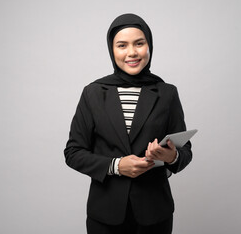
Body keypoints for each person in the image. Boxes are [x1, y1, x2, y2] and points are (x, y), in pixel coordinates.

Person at [64, 13, 192, 234]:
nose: (132, 52)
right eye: (122, 45)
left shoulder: (167, 93)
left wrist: (170, 156)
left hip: (155, 214)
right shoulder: (93, 93)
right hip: (105, 214)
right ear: (111, 50)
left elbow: (185, 154)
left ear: (149, 46)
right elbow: (73, 152)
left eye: (139, 43)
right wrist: (116, 166)